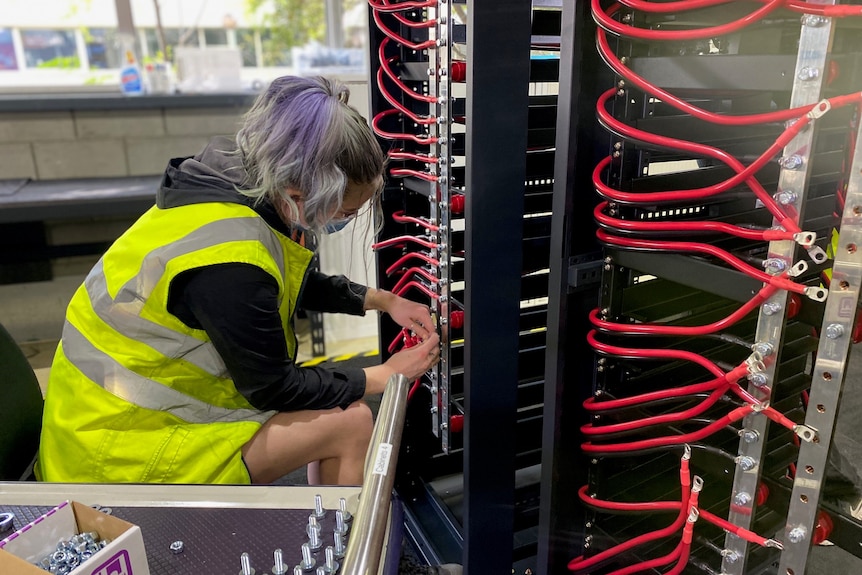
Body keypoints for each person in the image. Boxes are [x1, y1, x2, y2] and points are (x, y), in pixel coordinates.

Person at [37, 75, 440, 486]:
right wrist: (382, 375)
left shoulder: (232, 186)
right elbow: (274, 387)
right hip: (112, 454)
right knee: (351, 423)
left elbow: (279, 284)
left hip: (100, 420)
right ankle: (336, 547)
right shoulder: (229, 260)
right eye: (343, 213)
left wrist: (383, 300)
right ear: (300, 192)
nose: (343, 221)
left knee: (340, 406)